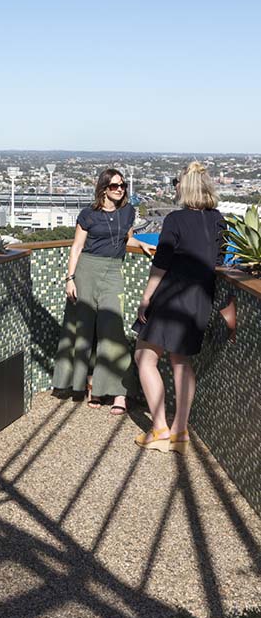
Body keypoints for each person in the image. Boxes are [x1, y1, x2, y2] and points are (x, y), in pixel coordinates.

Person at [134, 161, 237, 454]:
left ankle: (159, 429)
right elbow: (218, 260)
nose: (175, 187)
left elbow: (161, 263)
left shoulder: (175, 220)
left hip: (171, 297)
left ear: (185, 187)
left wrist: (146, 298)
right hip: (200, 298)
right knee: (181, 362)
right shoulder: (219, 220)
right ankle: (180, 431)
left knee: (144, 357)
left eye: (177, 182)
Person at [52, 168, 155, 414]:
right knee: (83, 330)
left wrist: (141, 243)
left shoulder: (128, 211)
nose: (119, 189)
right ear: (103, 189)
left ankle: (120, 393)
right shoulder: (88, 214)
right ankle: (90, 387)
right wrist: (70, 279)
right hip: (86, 271)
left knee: (113, 330)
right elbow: (77, 247)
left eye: (122, 185)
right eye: (114, 186)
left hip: (113, 272)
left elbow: (125, 238)